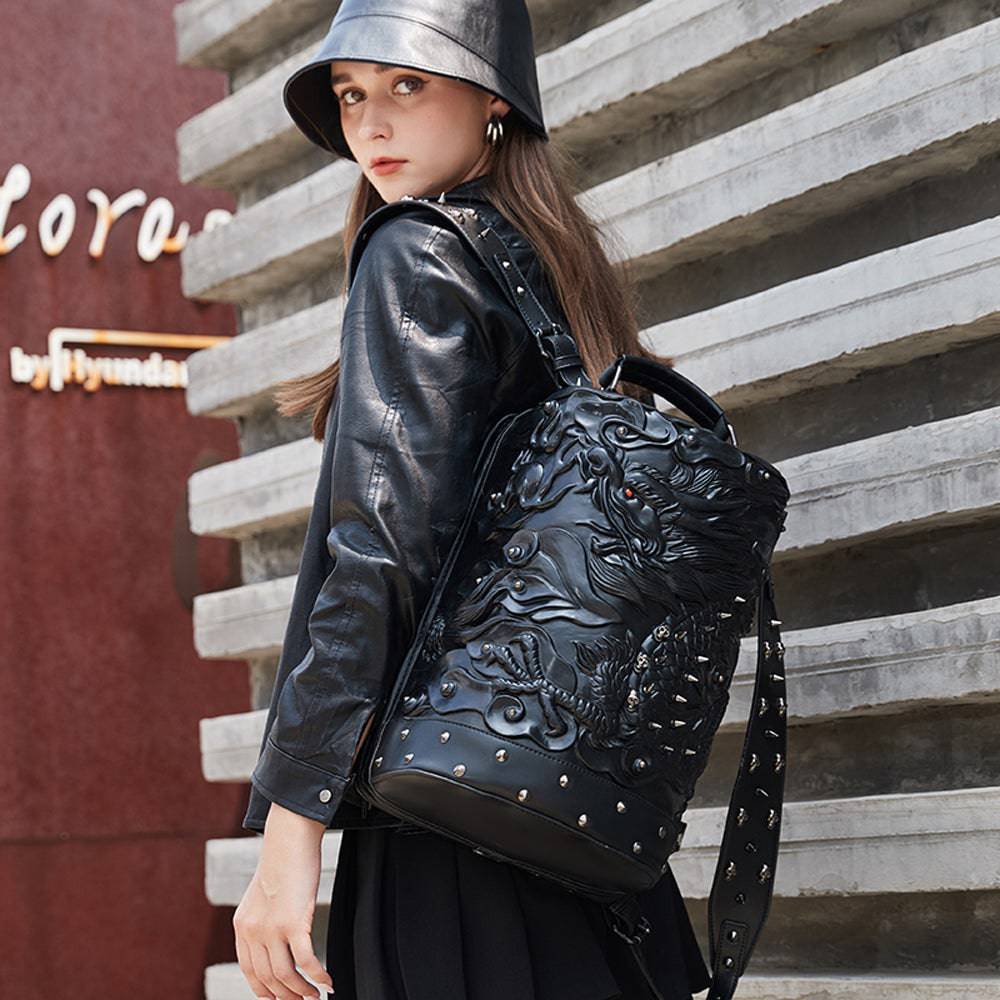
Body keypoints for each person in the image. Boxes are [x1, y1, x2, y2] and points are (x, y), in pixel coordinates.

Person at [232, 3, 712, 999]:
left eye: (408, 84)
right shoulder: (551, 262)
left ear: (494, 97)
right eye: (350, 95)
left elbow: (380, 555)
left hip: (451, 827)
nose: (370, 124)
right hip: (578, 827)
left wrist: (288, 834)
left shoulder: (415, 251)